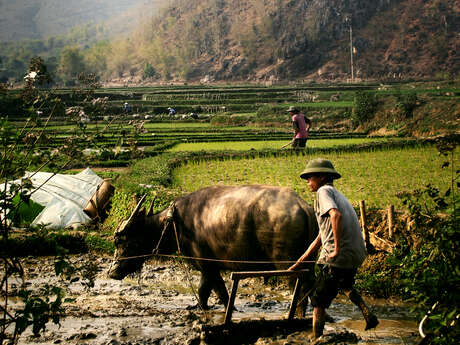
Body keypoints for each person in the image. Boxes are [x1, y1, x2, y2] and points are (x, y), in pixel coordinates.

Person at [288, 158, 379, 339]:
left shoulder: (323, 192)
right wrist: (300, 262)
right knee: (344, 283)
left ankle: (316, 338)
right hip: (354, 255)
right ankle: (368, 315)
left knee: (318, 303)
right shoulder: (337, 194)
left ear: (321, 177)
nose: (308, 182)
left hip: (337, 256)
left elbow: (335, 215)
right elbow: (321, 237)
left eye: (310, 177)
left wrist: (336, 249)